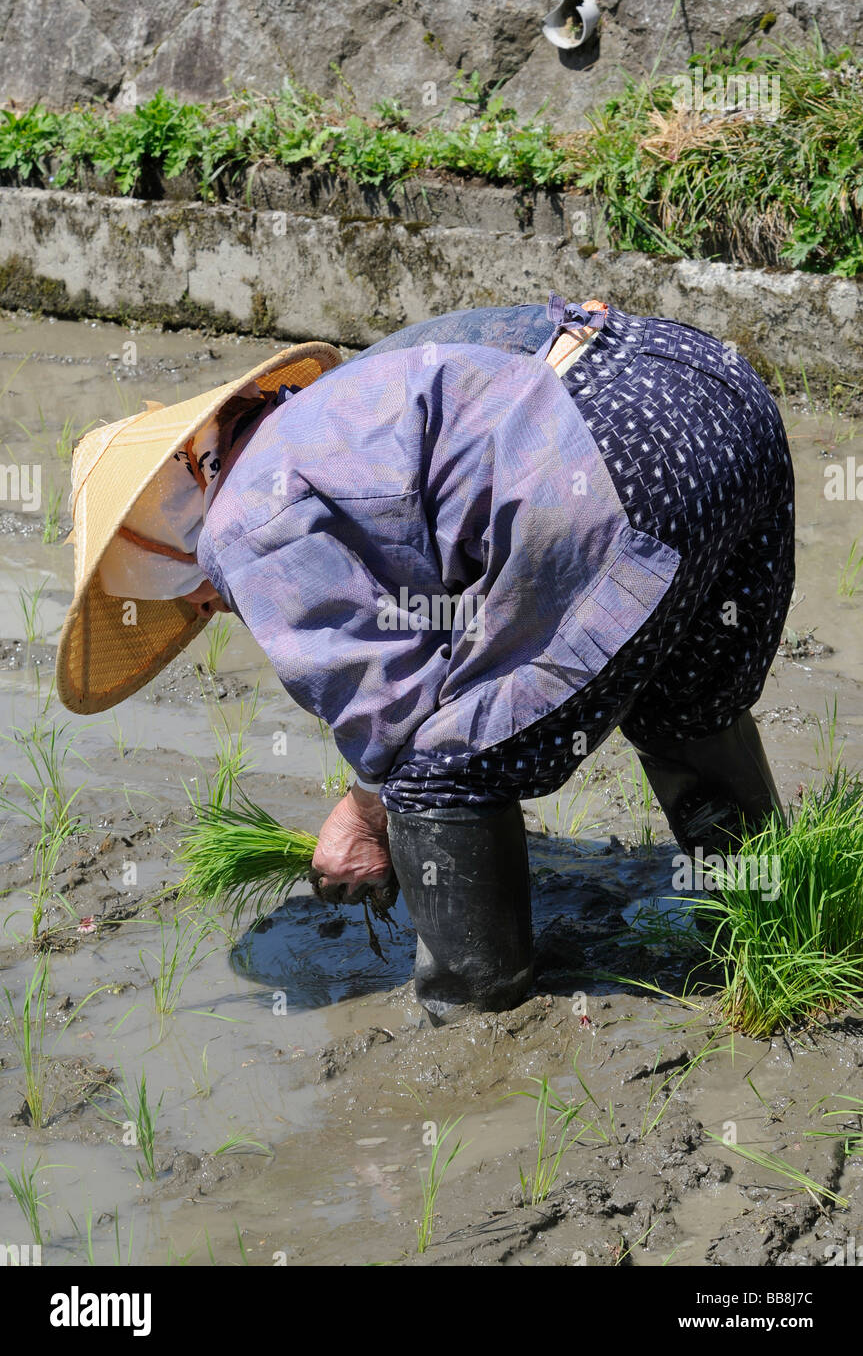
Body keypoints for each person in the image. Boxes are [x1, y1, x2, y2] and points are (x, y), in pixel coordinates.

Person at [57, 297, 794, 1023]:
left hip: (604, 464)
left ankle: (477, 1014)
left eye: (200, 595)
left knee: (438, 770)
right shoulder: (336, 404)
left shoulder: (241, 518)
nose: (216, 606)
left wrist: (365, 814)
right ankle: (778, 920)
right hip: (713, 392)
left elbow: (392, 713)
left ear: (177, 550)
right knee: (686, 699)